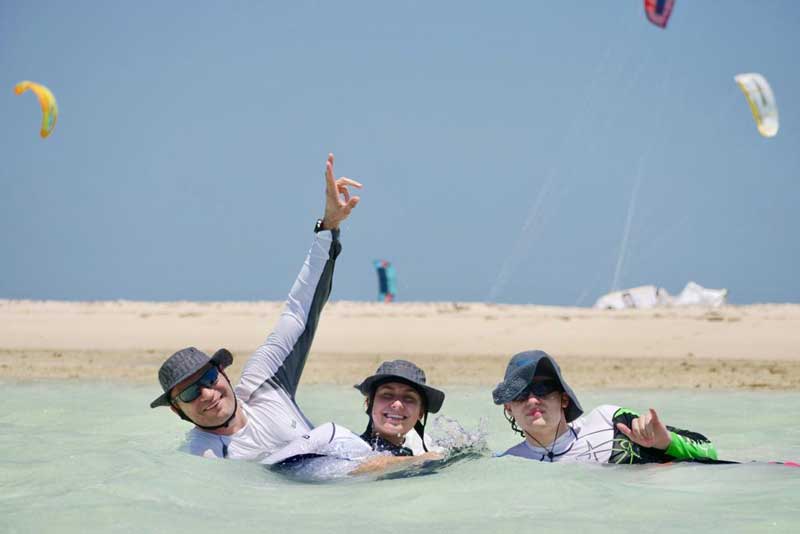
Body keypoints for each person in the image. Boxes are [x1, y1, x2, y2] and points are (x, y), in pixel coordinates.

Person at [149, 153, 361, 461]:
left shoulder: (264, 383)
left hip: (360, 472)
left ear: (222, 372)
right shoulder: (203, 453)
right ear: (176, 409)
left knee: (333, 436)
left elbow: (299, 310)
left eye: (208, 381)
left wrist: (328, 225)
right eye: (189, 393)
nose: (206, 395)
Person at [492, 350, 719, 464]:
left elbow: (709, 451)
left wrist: (665, 442)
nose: (532, 400)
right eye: (520, 393)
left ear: (564, 399)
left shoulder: (609, 422)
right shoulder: (508, 462)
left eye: (542, 388)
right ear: (509, 409)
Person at [354, 359, 445, 456]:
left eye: (408, 398)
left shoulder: (414, 450)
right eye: (387, 395)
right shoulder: (353, 449)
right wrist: (422, 460)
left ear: (420, 413)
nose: (397, 404)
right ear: (369, 403)